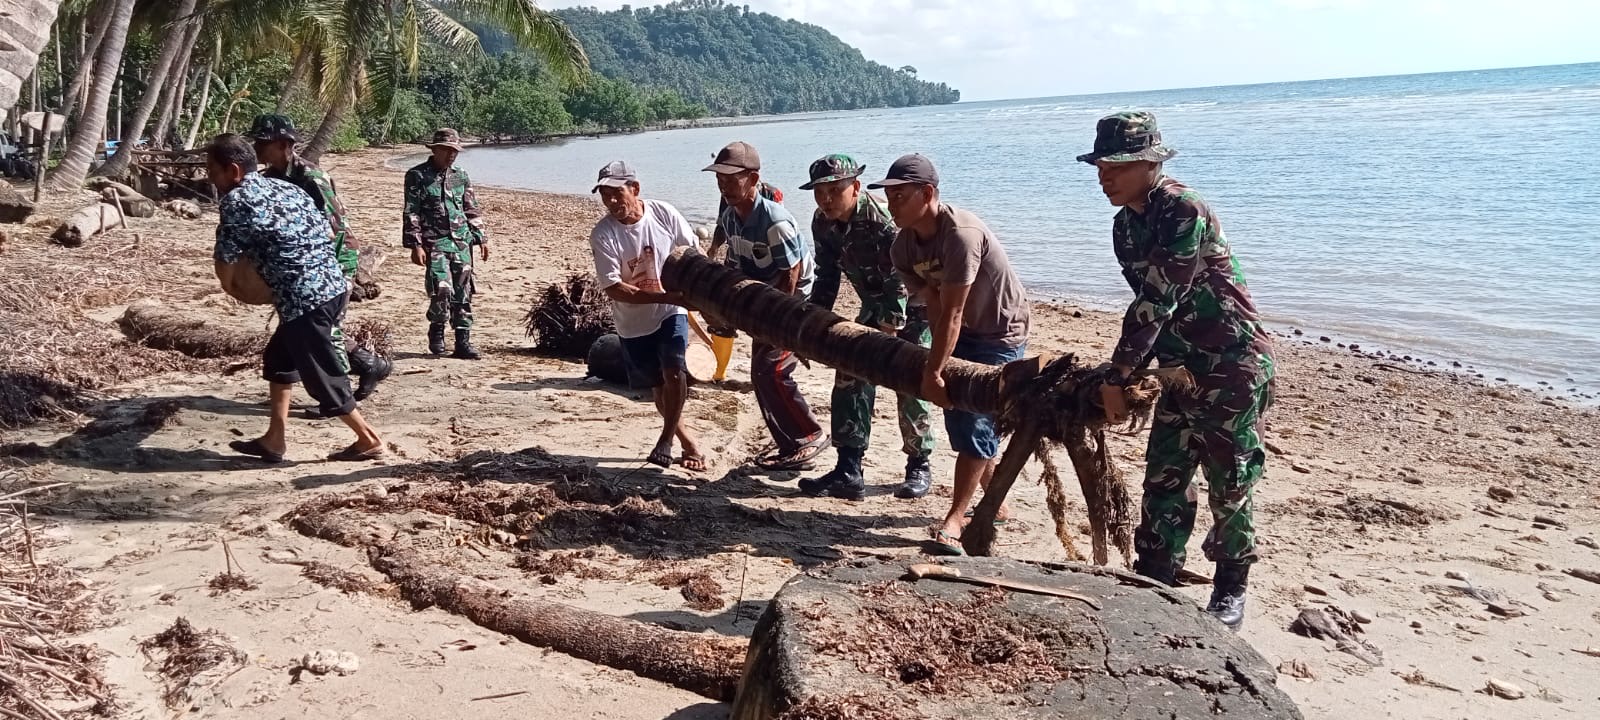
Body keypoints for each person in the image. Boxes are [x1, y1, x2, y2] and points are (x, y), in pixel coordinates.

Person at [1079, 111, 1275, 630]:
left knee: (1230, 480)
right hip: (1178, 368)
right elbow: (1149, 308)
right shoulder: (1125, 226)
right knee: (1165, 475)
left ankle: (1230, 585)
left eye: (1117, 166)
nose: (1104, 176)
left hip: (1232, 362)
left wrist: (1119, 375)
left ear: (1151, 163)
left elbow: (1159, 297)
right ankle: (1156, 575)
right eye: (1100, 166)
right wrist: (1139, 370)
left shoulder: (1183, 209)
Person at [875, 154, 1030, 555]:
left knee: (976, 422)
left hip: (999, 332)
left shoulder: (960, 235)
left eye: (900, 196)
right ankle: (997, 502)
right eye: (889, 197)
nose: (891, 205)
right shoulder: (902, 247)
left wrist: (933, 372)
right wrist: (939, 363)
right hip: (960, 331)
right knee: (962, 417)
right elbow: (935, 305)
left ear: (927, 193)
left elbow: (955, 310)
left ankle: (955, 520)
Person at [206, 134, 384, 463]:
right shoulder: (287, 187)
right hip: (333, 286)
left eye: (212, 171)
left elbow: (226, 261)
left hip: (304, 300)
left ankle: (368, 439)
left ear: (233, 170)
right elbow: (328, 232)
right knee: (279, 360)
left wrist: (235, 289)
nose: (210, 179)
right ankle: (275, 439)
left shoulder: (236, 200)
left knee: (323, 376)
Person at [796, 153, 936, 501]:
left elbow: (900, 280)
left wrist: (890, 328)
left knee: (910, 382)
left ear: (855, 188)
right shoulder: (822, 223)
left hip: (914, 310)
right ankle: (849, 469)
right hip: (872, 306)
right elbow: (827, 275)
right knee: (849, 377)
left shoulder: (882, 221)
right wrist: (814, 320)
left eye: (835, 190)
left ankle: (918, 463)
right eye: (819, 192)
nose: (826, 199)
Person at [246, 114, 392, 409]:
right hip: (298, 266)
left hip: (332, 260)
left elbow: (334, 229)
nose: (257, 148)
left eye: (264, 142)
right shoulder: (268, 180)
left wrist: (329, 272)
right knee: (304, 329)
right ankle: (367, 366)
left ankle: (340, 396)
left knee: (323, 331)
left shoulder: (311, 178)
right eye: (256, 142)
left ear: (285, 144)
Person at [703, 141, 828, 471]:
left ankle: (808, 436)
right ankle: (791, 442)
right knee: (762, 372)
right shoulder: (730, 218)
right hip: (761, 301)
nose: (724, 186)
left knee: (771, 369)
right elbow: (735, 264)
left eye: (732, 179)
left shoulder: (775, 221)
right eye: (720, 179)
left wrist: (775, 321)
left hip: (791, 305)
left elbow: (791, 275)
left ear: (753, 179)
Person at [587, 160, 708, 472]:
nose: (611, 202)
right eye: (605, 196)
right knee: (657, 387)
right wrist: (666, 296)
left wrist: (703, 293)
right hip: (633, 322)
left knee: (675, 371)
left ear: (635, 189)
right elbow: (615, 288)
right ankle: (684, 438)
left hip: (671, 311)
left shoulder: (664, 213)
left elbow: (693, 253)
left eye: (617, 193)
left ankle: (668, 441)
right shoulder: (603, 234)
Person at [403, 128, 488, 359]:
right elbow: (411, 211)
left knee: (464, 291)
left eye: (455, 151)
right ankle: (437, 330)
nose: (452, 155)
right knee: (441, 288)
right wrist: (415, 245)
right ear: (435, 150)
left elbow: (470, 207)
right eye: (447, 150)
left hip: (461, 240)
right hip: (435, 241)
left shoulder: (461, 175)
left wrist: (481, 237)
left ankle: (463, 341)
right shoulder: (417, 175)